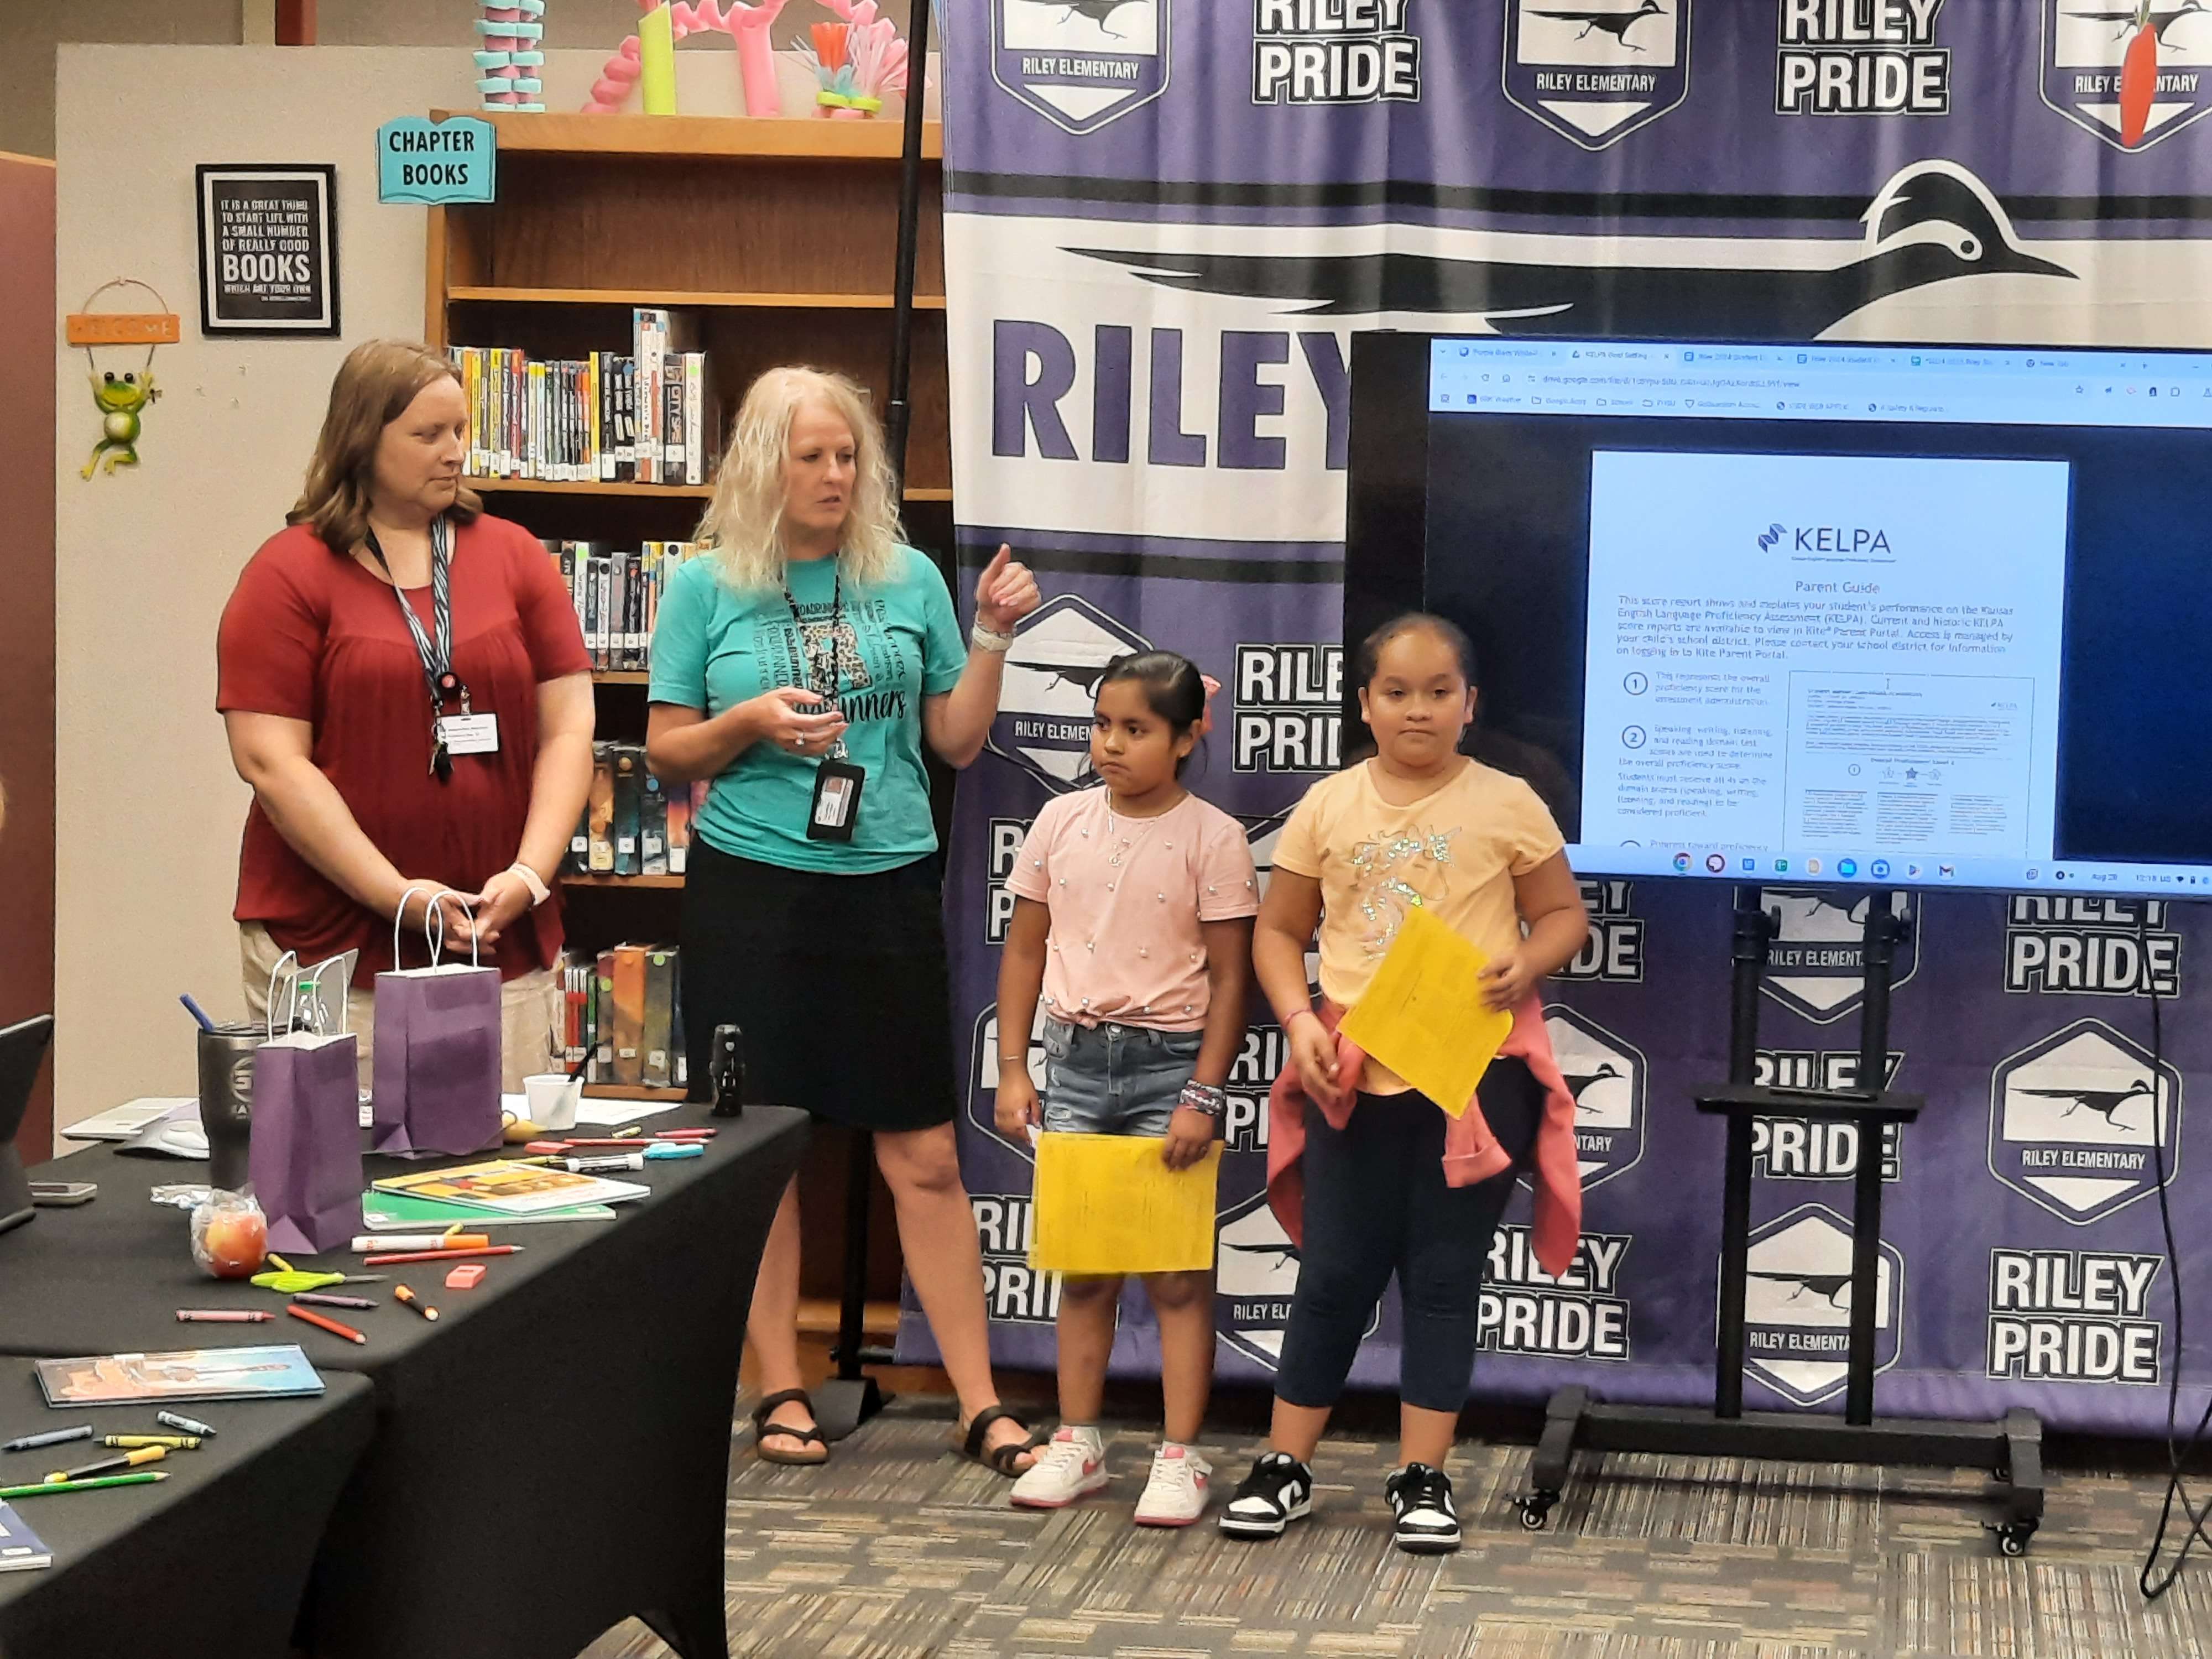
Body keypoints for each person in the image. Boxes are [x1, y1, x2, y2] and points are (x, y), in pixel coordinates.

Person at [646, 366, 1046, 1475]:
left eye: (847, 455)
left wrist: (992, 636)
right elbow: (667, 748)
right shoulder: (705, 586)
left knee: (924, 1151)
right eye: (811, 456)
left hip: (886, 886)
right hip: (754, 891)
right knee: (762, 1149)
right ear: (762, 466)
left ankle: (978, 1403)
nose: (835, 474)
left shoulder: (905, 576)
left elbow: (955, 741)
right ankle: (779, 1388)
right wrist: (750, 721)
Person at [1220, 613, 1590, 1556]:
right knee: (1335, 1271)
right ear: (1365, 704)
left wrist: (1526, 964)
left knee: (1443, 1276)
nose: (1417, 710)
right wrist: (1300, 1020)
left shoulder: (1510, 800)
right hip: (1351, 1072)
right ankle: (1285, 1465)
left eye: (1437, 692)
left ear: (1471, 704)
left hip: (1475, 1073)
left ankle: (1423, 1476)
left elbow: (1563, 916)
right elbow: (1277, 931)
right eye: (1396, 692)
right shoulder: (1328, 805)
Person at [217, 340, 594, 1087]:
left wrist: (530, 874)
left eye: (460, 430)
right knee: (344, 1155)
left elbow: (569, 728)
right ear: (362, 440)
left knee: (499, 1151)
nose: (454, 452)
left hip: (497, 940)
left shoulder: (514, 556)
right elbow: (270, 762)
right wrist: (399, 897)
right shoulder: (289, 572)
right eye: (428, 435)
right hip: (338, 951)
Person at [993, 651, 1255, 1525]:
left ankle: (1181, 1455)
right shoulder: (1059, 820)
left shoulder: (1214, 837)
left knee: (1176, 1277)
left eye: (1136, 729)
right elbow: (1024, 949)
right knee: (1086, 1271)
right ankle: (1079, 1440)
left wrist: (1203, 1095)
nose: (1110, 744)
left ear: (1185, 738)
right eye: (1102, 725)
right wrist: (1013, 1066)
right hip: (1073, 1062)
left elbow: (1231, 980)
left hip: (1169, 1067)